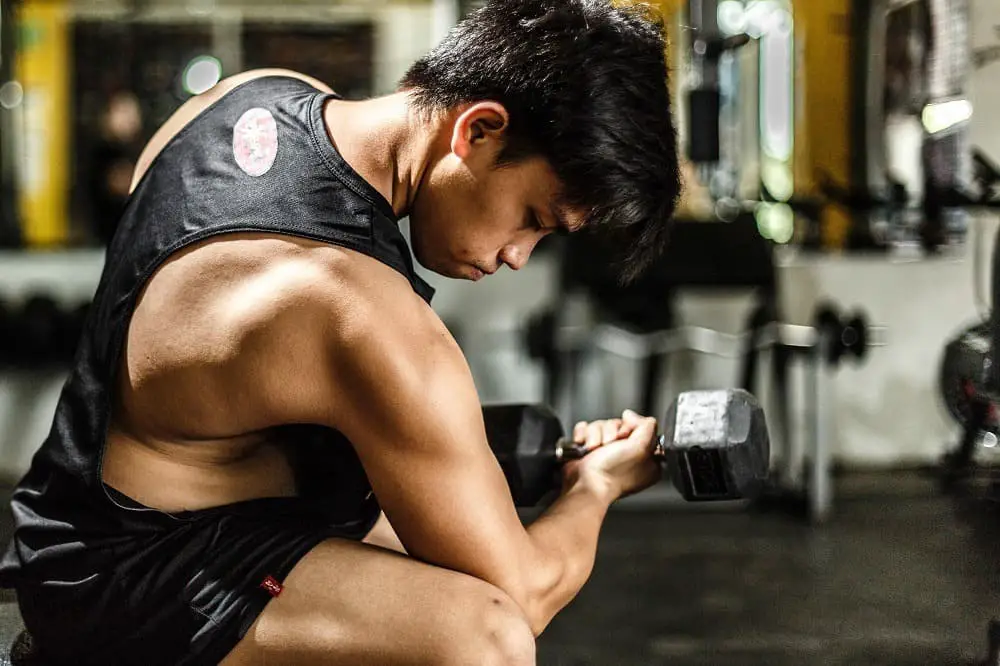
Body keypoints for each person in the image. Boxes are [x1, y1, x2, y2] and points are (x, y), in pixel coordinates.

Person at [0, 1, 681, 663]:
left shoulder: (250, 98)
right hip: (125, 580)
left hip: (67, 518)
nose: (516, 254)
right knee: (485, 634)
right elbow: (525, 591)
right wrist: (595, 485)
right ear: (477, 129)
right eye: (533, 217)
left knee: (431, 549)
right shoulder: (358, 313)